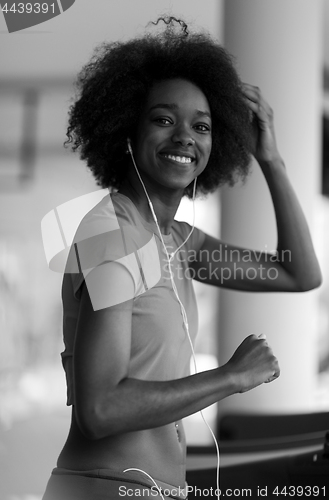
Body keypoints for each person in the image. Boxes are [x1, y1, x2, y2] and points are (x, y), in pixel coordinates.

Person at [42, 16, 322, 500]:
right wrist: (231, 377)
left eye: (203, 126)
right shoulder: (113, 233)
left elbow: (298, 272)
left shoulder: (177, 243)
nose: (185, 137)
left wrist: (270, 160)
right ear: (126, 130)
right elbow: (99, 410)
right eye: (163, 119)